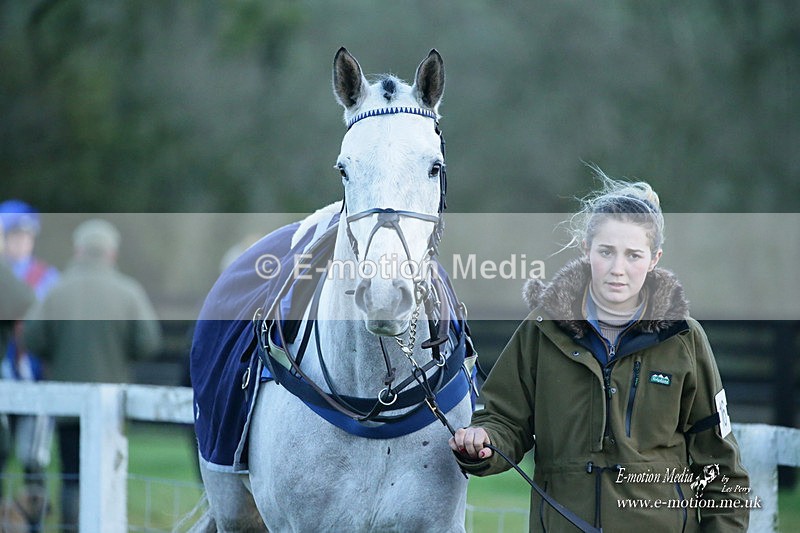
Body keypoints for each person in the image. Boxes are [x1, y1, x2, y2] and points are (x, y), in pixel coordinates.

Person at [450, 170, 750, 532]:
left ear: (655, 259)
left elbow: (721, 468)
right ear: (586, 250)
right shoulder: (541, 329)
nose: (617, 270)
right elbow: (504, 420)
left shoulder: (684, 339)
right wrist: (484, 443)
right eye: (606, 252)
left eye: (633, 255)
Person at [24, 218, 163, 530]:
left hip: (67, 403)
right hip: (113, 404)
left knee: (72, 471)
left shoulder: (56, 291)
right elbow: (148, 342)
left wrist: (55, 355)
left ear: (78, 250)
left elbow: (32, 338)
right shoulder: (129, 292)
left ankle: (71, 526)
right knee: (109, 473)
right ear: (111, 253)